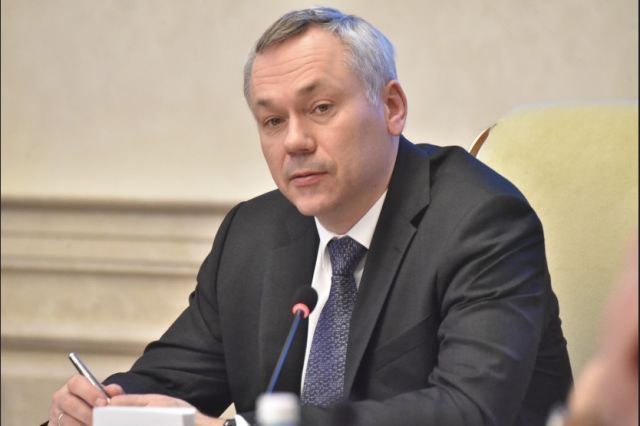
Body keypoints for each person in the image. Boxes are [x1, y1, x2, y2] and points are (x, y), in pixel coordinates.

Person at [47, 7, 572, 426]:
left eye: (320, 108)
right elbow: (171, 381)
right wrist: (103, 406)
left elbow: (467, 411)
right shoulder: (252, 235)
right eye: (273, 120)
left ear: (391, 107)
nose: (294, 142)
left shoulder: (481, 222)